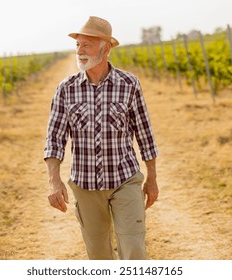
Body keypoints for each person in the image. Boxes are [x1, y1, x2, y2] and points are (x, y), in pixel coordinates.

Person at [44, 16, 158, 260]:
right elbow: (54, 139)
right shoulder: (66, 88)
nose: (80, 51)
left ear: (105, 48)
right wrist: (54, 181)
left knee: (134, 249)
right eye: (78, 45)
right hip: (84, 186)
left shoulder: (129, 84)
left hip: (124, 180)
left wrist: (152, 178)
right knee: (98, 256)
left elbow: (145, 134)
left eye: (86, 45)